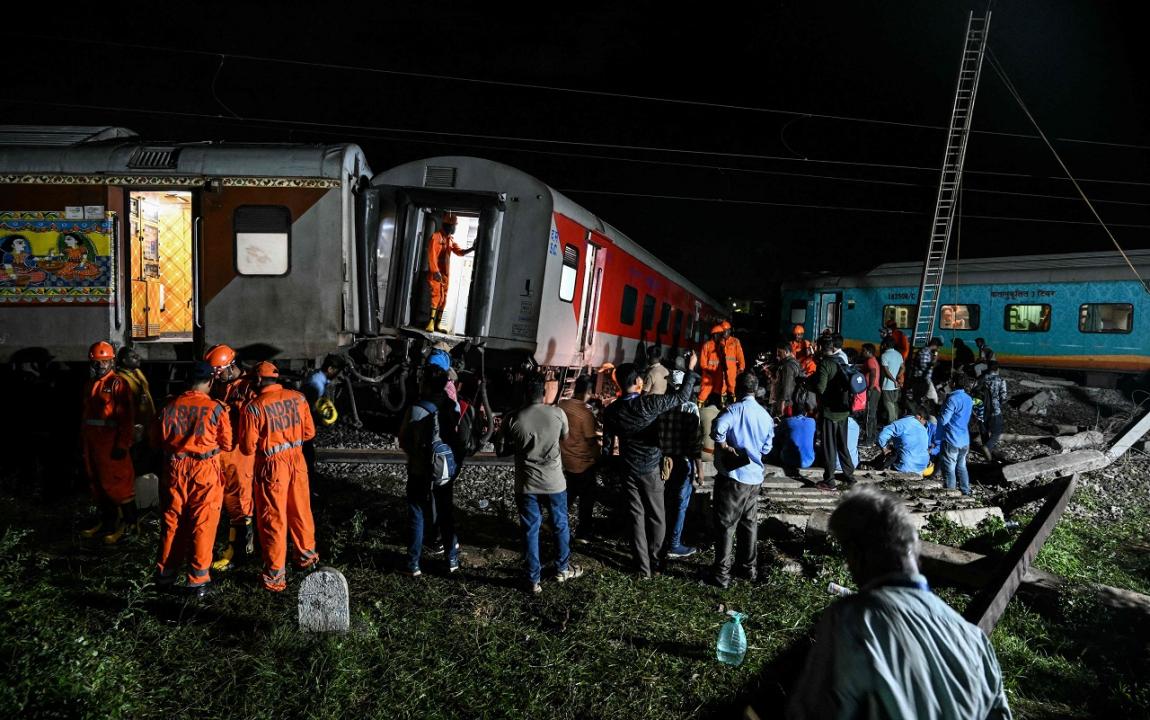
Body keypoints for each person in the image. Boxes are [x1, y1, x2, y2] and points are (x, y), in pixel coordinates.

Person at [787, 485, 1012, 720]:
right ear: (914, 546)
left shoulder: (853, 620)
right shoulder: (973, 639)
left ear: (855, 555)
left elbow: (812, 713)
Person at [602, 352, 698, 578]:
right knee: (657, 515)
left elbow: (607, 446)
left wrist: (610, 466)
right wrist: (691, 369)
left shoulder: (612, 411)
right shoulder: (648, 404)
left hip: (627, 468)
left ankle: (643, 568)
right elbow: (682, 397)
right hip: (651, 468)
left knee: (636, 517)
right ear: (637, 382)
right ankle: (655, 561)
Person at [152, 362, 231, 597]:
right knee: (202, 523)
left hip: (174, 469)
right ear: (210, 382)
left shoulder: (168, 406)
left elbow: (155, 441)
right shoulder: (216, 408)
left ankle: (164, 576)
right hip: (203, 470)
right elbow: (226, 443)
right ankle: (198, 580)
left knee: (172, 522)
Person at [499, 374, 584, 594]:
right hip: (555, 482)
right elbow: (564, 438)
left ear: (525, 395)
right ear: (544, 394)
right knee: (560, 525)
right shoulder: (557, 413)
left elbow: (502, 449)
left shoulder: (513, 418)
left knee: (530, 529)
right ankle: (562, 569)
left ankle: (533, 579)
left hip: (527, 484)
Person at [239, 361, 319, 592]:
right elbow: (309, 433)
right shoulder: (298, 397)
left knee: (273, 519)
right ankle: (306, 558)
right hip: (297, 461)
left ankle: (275, 578)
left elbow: (246, 447)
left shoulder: (254, 407)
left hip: (273, 468)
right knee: (301, 511)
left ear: (257, 380)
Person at [708, 371, 774, 588]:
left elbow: (718, 429)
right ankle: (748, 569)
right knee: (749, 523)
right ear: (756, 389)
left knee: (726, 524)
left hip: (735, 477)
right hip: (755, 478)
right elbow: (766, 447)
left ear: (737, 388)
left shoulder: (735, 410)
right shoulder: (765, 416)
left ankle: (722, 575)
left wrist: (725, 445)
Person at [398, 367, 462, 577]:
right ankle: (451, 559)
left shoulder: (416, 409)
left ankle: (414, 564)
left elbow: (404, 440)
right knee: (445, 513)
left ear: (424, 383)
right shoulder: (450, 405)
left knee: (417, 514)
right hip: (444, 470)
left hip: (419, 470)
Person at [204, 343, 256, 571]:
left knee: (240, 503)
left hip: (240, 454)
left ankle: (240, 553)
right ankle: (237, 548)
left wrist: (231, 409)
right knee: (229, 502)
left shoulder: (247, 387)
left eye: (218, 373)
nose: (215, 378)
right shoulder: (221, 384)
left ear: (229, 367)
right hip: (224, 453)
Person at [79, 341, 137, 544]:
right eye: (97, 362)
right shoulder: (90, 384)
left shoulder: (117, 384)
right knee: (98, 483)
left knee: (119, 485)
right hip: (93, 444)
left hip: (110, 444)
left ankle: (130, 524)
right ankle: (108, 522)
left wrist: (123, 444)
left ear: (112, 362)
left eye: (104, 362)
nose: (100, 366)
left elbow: (126, 418)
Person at [658, 368, 703, 559]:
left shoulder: (661, 404)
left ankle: (659, 539)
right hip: (683, 461)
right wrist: (700, 471)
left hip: (663, 461)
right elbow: (695, 443)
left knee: (663, 500)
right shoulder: (691, 408)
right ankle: (674, 544)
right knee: (680, 504)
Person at [558, 375, 602, 542]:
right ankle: (583, 533)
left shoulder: (562, 405)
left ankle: (551, 522)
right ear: (589, 392)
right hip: (583, 463)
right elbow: (591, 441)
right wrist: (599, 458)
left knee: (570, 492)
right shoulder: (586, 413)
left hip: (566, 459)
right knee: (587, 499)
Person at [814, 337, 856, 490]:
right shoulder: (841, 360)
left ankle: (829, 480)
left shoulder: (825, 364)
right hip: (843, 411)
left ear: (822, 348)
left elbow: (820, 388)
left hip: (830, 412)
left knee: (829, 446)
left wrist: (809, 384)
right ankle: (849, 477)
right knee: (842, 444)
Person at [425, 213, 475, 333]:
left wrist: (472, 248)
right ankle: (430, 323)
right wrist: (435, 271)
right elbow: (431, 255)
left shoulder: (450, 240)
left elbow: (460, 252)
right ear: (448, 225)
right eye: (454, 226)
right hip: (436, 274)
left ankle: (437, 324)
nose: (455, 228)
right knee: (436, 297)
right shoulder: (436, 237)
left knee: (444, 298)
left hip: (445, 275)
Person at [939, 373, 974, 495]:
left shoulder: (952, 399)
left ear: (953, 383)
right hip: (965, 439)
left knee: (950, 468)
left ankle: (951, 493)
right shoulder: (969, 399)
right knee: (962, 466)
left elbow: (944, 420)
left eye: (950, 381)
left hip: (952, 438)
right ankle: (965, 490)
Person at [875, 406, 931, 474]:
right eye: (924, 421)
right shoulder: (924, 430)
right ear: (920, 417)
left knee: (889, 454)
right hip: (922, 467)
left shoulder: (902, 423)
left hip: (906, 466)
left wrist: (885, 448)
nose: (924, 423)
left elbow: (882, 435)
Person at [976, 361, 1008, 461]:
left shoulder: (981, 378)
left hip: (981, 409)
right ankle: (987, 447)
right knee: (997, 430)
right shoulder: (1000, 380)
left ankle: (988, 453)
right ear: (997, 369)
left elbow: (975, 392)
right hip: (995, 409)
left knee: (984, 430)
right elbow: (1003, 397)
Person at [771, 342, 805, 418]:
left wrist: (783, 403)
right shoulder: (795, 362)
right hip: (793, 400)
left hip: (788, 403)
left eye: (779, 352)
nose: (777, 355)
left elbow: (787, 386)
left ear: (786, 352)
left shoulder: (788, 366)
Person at [778, 408, 816, 472]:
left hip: (788, 460)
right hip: (809, 462)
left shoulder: (787, 421)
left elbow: (778, 436)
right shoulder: (812, 421)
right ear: (806, 413)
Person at [697, 325, 727, 405]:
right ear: (715, 335)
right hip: (708, 376)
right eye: (720, 335)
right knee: (703, 395)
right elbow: (703, 363)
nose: (722, 337)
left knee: (719, 394)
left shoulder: (722, 346)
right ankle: (699, 412)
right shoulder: (706, 346)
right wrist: (709, 372)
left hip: (719, 376)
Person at [878, 338, 903, 427]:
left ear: (885, 345)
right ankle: (896, 422)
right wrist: (898, 377)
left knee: (888, 404)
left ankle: (892, 424)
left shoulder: (884, 355)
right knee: (894, 403)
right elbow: (903, 367)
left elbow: (886, 371)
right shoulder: (899, 354)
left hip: (888, 385)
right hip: (896, 386)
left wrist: (893, 380)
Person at [859, 343, 881, 443]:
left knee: (869, 415)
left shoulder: (870, 361)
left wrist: (870, 388)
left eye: (863, 351)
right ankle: (872, 437)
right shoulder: (872, 360)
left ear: (868, 351)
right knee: (873, 415)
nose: (862, 353)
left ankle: (867, 440)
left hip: (873, 390)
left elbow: (873, 372)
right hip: (876, 390)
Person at [720, 320, 746, 402]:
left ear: (729, 331)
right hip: (721, 372)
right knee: (721, 389)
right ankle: (722, 406)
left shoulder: (735, 341)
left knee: (732, 389)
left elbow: (740, 356)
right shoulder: (718, 341)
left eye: (725, 330)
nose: (724, 332)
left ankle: (733, 404)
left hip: (732, 372)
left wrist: (741, 368)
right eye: (722, 330)